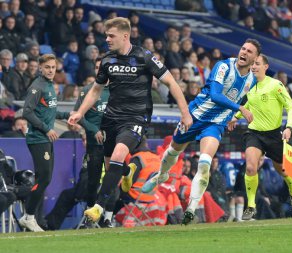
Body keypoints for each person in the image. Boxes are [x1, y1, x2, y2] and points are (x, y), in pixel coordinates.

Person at [68, 17, 192, 223]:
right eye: (106, 35)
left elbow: (171, 82)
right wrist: (80, 112)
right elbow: (97, 89)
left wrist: (185, 113)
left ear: (125, 36)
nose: (107, 39)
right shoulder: (107, 60)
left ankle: (97, 207)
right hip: (111, 118)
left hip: (135, 117)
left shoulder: (144, 56)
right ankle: (128, 170)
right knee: (112, 168)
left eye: (111, 36)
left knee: (118, 154)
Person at [142, 38, 261, 225]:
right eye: (243, 48)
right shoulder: (223, 67)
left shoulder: (252, 80)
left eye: (249, 51)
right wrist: (239, 109)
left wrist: (234, 116)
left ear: (255, 59)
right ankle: (161, 175)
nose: (244, 52)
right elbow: (215, 95)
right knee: (173, 150)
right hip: (195, 115)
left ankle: (191, 208)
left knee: (205, 163)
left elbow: (244, 99)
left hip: (216, 123)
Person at [228, 54, 292, 220]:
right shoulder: (250, 86)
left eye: (257, 64)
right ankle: (251, 206)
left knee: (282, 170)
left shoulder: (276, 85)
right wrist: (236, 117)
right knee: (251, 167)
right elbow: (248, 105)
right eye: (252, 64)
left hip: (274, 135)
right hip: (254, 133)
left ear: (265, 67)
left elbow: (291, 107)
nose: (253, 67)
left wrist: (289, 127)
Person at [19, 54, 70, 232]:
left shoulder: (49, 86)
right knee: (44, 178)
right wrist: (47, 129)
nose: (50, 70)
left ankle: (29, 216)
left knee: (44, 178)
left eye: (53, 67)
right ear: (40, 67)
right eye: (47, 67)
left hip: (45, 139)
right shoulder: (37, 87)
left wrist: (67, 116)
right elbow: (27, 112)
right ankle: (29, 217)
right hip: (38, 138)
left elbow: (49, 111)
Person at [74, 57, 111, 225]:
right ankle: (90, 215)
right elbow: (77, 115)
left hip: (113, 143)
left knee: (112, 180)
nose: (99, 70)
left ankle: (108, 219)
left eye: (102, 67)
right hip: (94, 145)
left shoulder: (117, 90)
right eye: (97, 67)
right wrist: (93, 129)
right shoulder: (88, 90)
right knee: (93, 181)